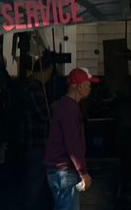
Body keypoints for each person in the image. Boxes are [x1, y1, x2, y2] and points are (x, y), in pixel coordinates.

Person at [44, 67, 100, 210]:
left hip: (58, 170)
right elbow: (73, 144)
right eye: (88, 84)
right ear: (80, 86)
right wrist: (83, 172)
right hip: (64, 171)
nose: (90, 88)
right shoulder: (70, 109)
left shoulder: (64, 105)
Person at [17, 56, 54, 210]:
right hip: (36, 142)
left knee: (35, 179)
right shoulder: (35, 88)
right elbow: (44, 115)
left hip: (30, 140)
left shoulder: (29, 85)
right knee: (35, 180)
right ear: (46, 71)